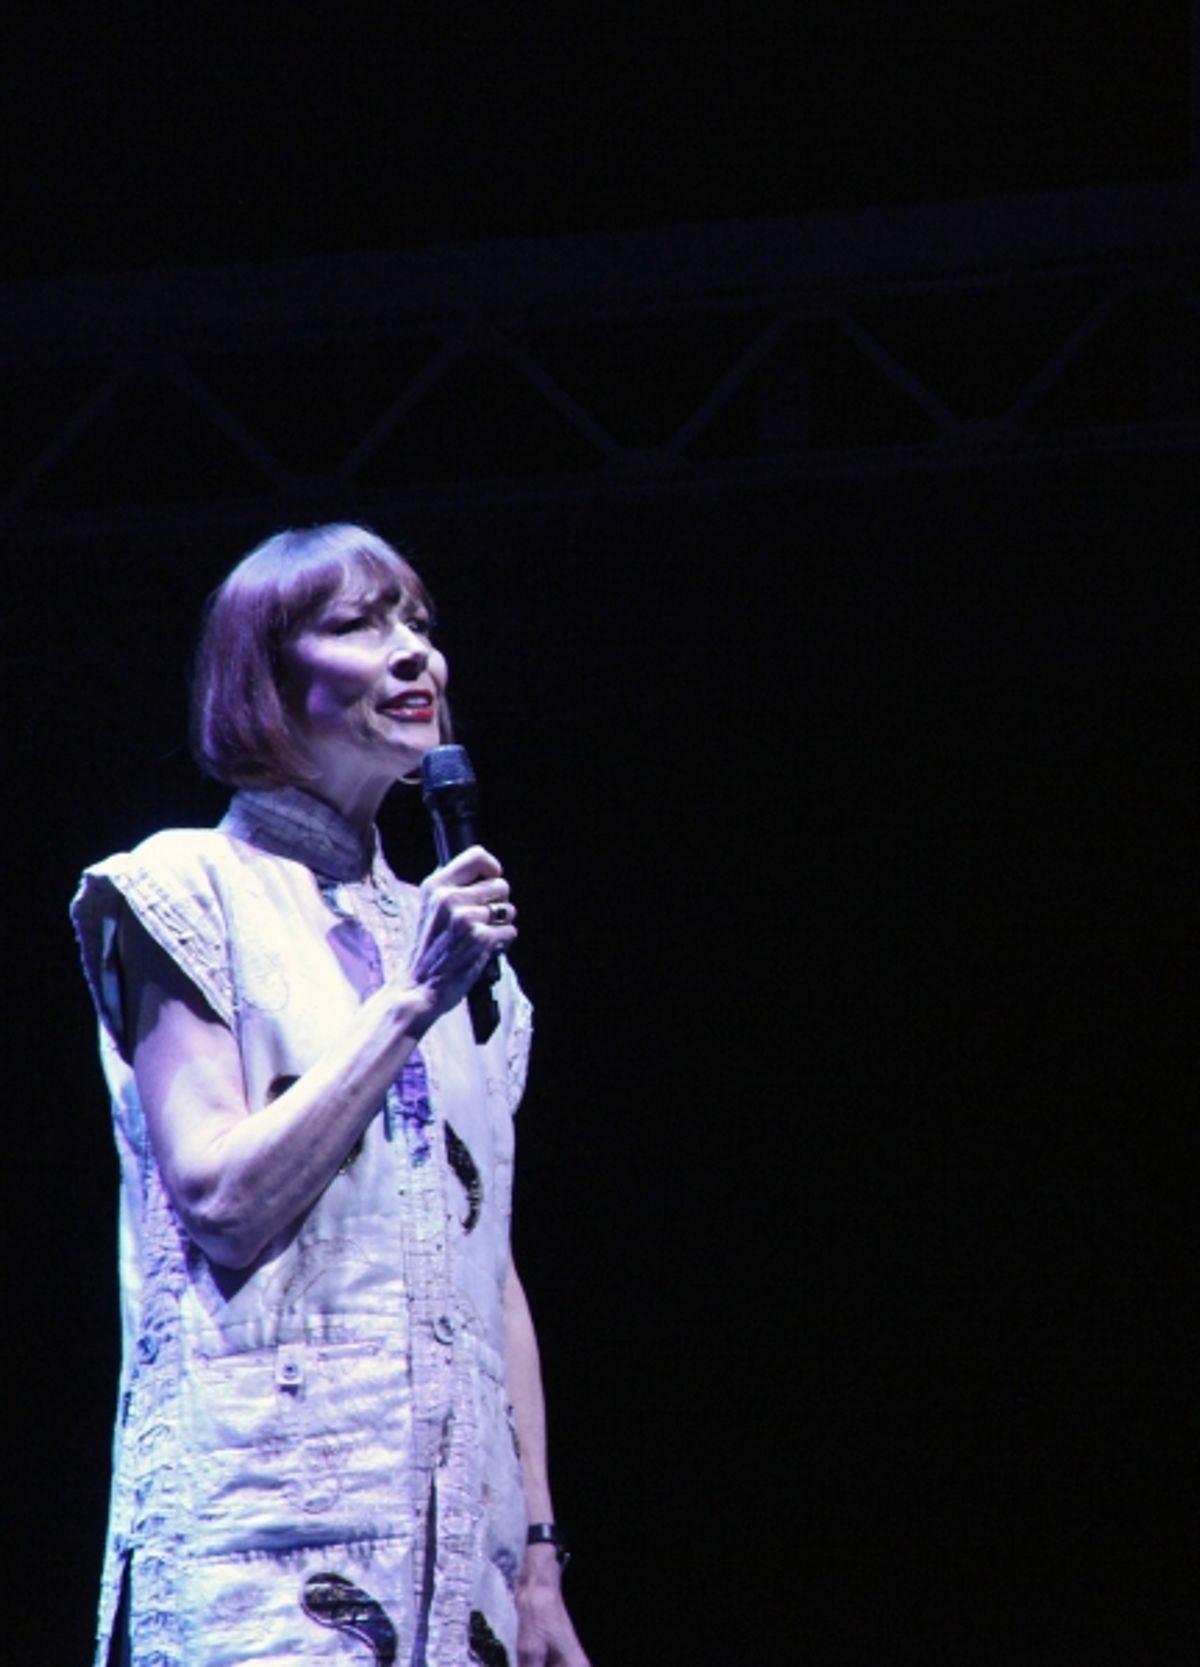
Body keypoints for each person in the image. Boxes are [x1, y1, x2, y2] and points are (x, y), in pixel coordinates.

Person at [72, 524, 590, 1667]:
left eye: (419, 624)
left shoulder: (457, 953)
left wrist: (538, 1557)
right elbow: (220, 1197)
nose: (415, 655)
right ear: (265, 680)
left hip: (466, 1569)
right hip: (263, 1558)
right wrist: (404, 1003)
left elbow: (488, 1271)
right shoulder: (182, 887)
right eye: (359, 625)